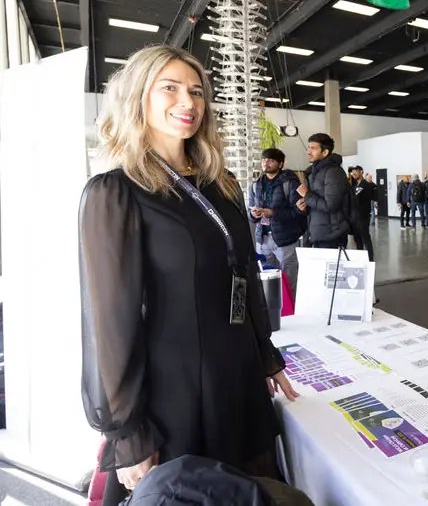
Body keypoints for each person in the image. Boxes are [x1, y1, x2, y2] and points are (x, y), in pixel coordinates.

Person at [79, 46, 297, 505]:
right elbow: (109, 324)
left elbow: (244, 274)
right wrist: (127, 432)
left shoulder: (222, 184)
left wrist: (264, 354)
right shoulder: (116, 194)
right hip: (176, 393)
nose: (189, 102)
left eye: (197, 92)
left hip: (237, 376)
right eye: (170, 88)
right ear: (138, 97)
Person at [248, 148, 305, 300]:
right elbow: (250, 212)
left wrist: (273, 213)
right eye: (264, 160)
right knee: (267, 281)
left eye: (271, 160)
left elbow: (299, 212)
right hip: (262, 239)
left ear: (280, 164)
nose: (266, 163)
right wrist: (253, 215)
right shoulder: (255, 185)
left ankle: (289, 311)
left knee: (288, 281)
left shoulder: (290, 183)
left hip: (285, 240)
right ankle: (271, 310)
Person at [298, 133, 351, 249]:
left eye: (313, 148)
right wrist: (304, 206)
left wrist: (307, 195)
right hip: (315, 233)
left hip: (331, 236)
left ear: (325, 152)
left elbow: (331, 206)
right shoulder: (313, 172)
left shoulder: (333, 172)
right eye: (308, 147)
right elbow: (315, 205)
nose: (308, 152)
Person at [344, 165, 375, 262]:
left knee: (366, 239)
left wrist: (371, 184)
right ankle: (360, 258)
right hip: (353, 218)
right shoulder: (353, 186)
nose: (353, 173)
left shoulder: (367, 185)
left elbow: (374, 195)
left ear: (361, 172)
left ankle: (370, 259)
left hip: (363, 217)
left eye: (356, 171)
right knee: (357, 239)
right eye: (352, 172)